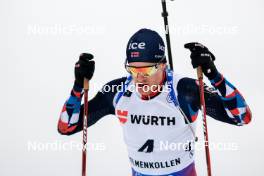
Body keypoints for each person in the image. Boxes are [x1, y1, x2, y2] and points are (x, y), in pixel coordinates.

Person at [57, 28, 252, 176]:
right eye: (133, 70)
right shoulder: (117, 92)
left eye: (147, 70)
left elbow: (242, 117)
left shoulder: (184, 90)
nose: (139, 78)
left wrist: (213, 74)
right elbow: (67, 127)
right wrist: (77, 87)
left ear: (163, 65)